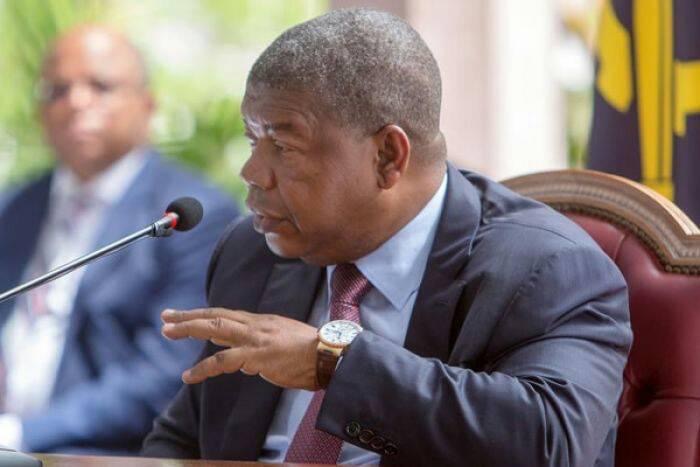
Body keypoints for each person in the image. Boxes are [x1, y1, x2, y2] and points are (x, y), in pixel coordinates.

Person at [142, 8, 632, 466]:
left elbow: (551, 443)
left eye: (283, 146)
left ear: (388, 157)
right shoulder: (253, 253)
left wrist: (334, 363)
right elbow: (184, 439)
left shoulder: (548, 269)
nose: (252, 172)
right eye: (254, 140)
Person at [0, 25, 239, 454]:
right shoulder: (14, 206)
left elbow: (166, 372)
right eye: (57, 90)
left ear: (147, 105)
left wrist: (20, 435)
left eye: (100, 86)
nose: (76, 102)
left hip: (97, 452)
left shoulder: (189, 215)